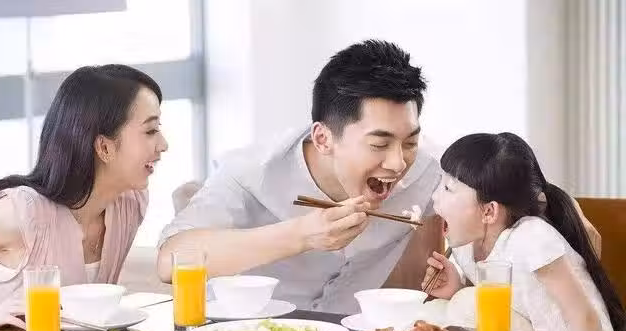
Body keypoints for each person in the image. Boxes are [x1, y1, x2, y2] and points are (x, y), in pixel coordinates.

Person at [158, 40, 444, 313]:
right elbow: (169, 262)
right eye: (379, 144)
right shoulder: (249, 173)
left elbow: (465, 217)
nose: (398, 162)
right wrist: (301, 235)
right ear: (323, 139)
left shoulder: (429, 172)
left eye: (410, 142)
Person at [0, 65, 168, 330]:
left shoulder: (130, 204)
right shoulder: (23, 213)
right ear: (104, 147)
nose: (164, 144)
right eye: (150, 131)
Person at [424, 132, 626, 331]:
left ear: (489, 211)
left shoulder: (531, 238)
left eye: (448, 188)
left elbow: (587, 323)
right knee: (442, 309)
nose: (434, 196)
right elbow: (507, 306)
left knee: (464, 303)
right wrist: (456, 288)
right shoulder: (465, 247)